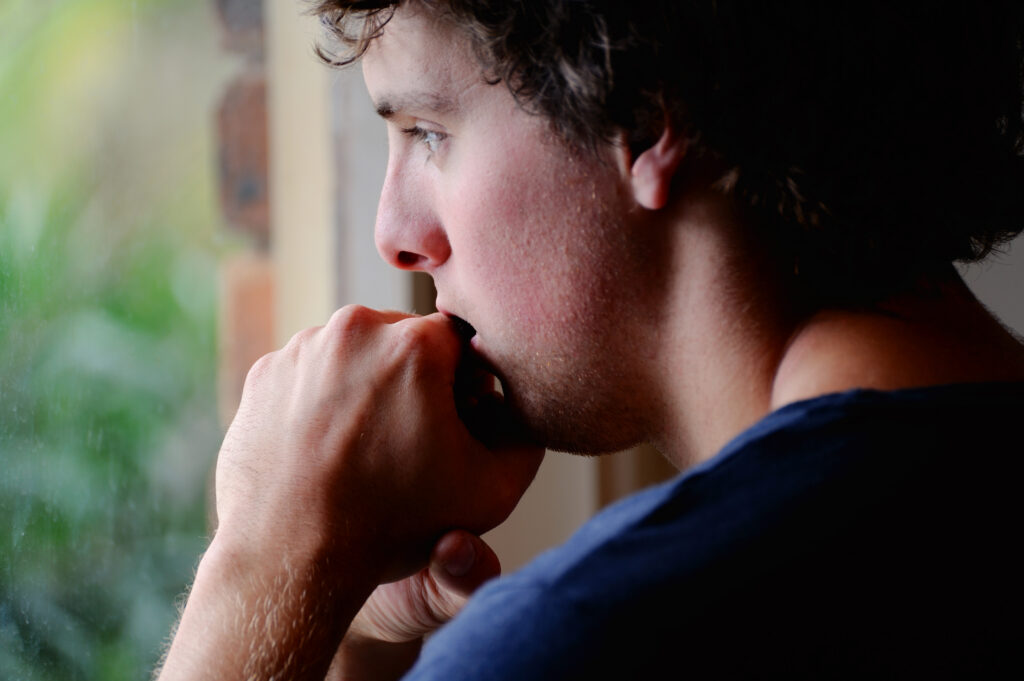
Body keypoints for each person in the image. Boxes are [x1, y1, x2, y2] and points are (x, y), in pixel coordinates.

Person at [156, 1, 1024, 679]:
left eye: (428, 132)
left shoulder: (589, 641)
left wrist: (266, 567)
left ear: (643, 119)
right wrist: (342, 624)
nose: (395, 234)